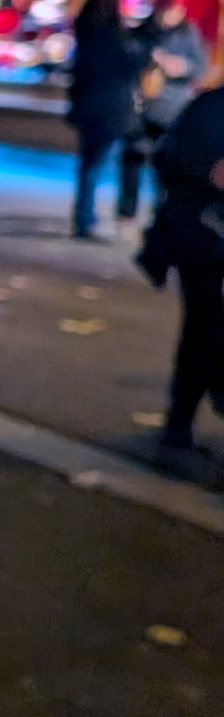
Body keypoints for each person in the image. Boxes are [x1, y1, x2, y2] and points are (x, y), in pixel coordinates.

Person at [137, 77, 224, 471]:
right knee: (205, 331)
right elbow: (175, 161)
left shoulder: (208, 106)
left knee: (205, 332)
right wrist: (207, 173)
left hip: (202, 236)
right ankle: (177, 430)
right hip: (205, 238)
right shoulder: (211, 110)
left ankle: (179, 428)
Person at [123, 0, 209, 212]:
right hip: (141, 105)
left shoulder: (188, 34)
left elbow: (198, 67)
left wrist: (178, 65)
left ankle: (161, 208)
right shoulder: (145, 31)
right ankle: (127, 209)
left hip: (171, 107)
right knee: (133, 157)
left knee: (164, 163)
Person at [68, 0, 141, 240]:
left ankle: (84, 216)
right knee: (106, 162)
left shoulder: (86, 28)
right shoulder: (114, 34)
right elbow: (130, 65)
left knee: (89, 165)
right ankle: (92, 217)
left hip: (90, 106)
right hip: (111, 109)